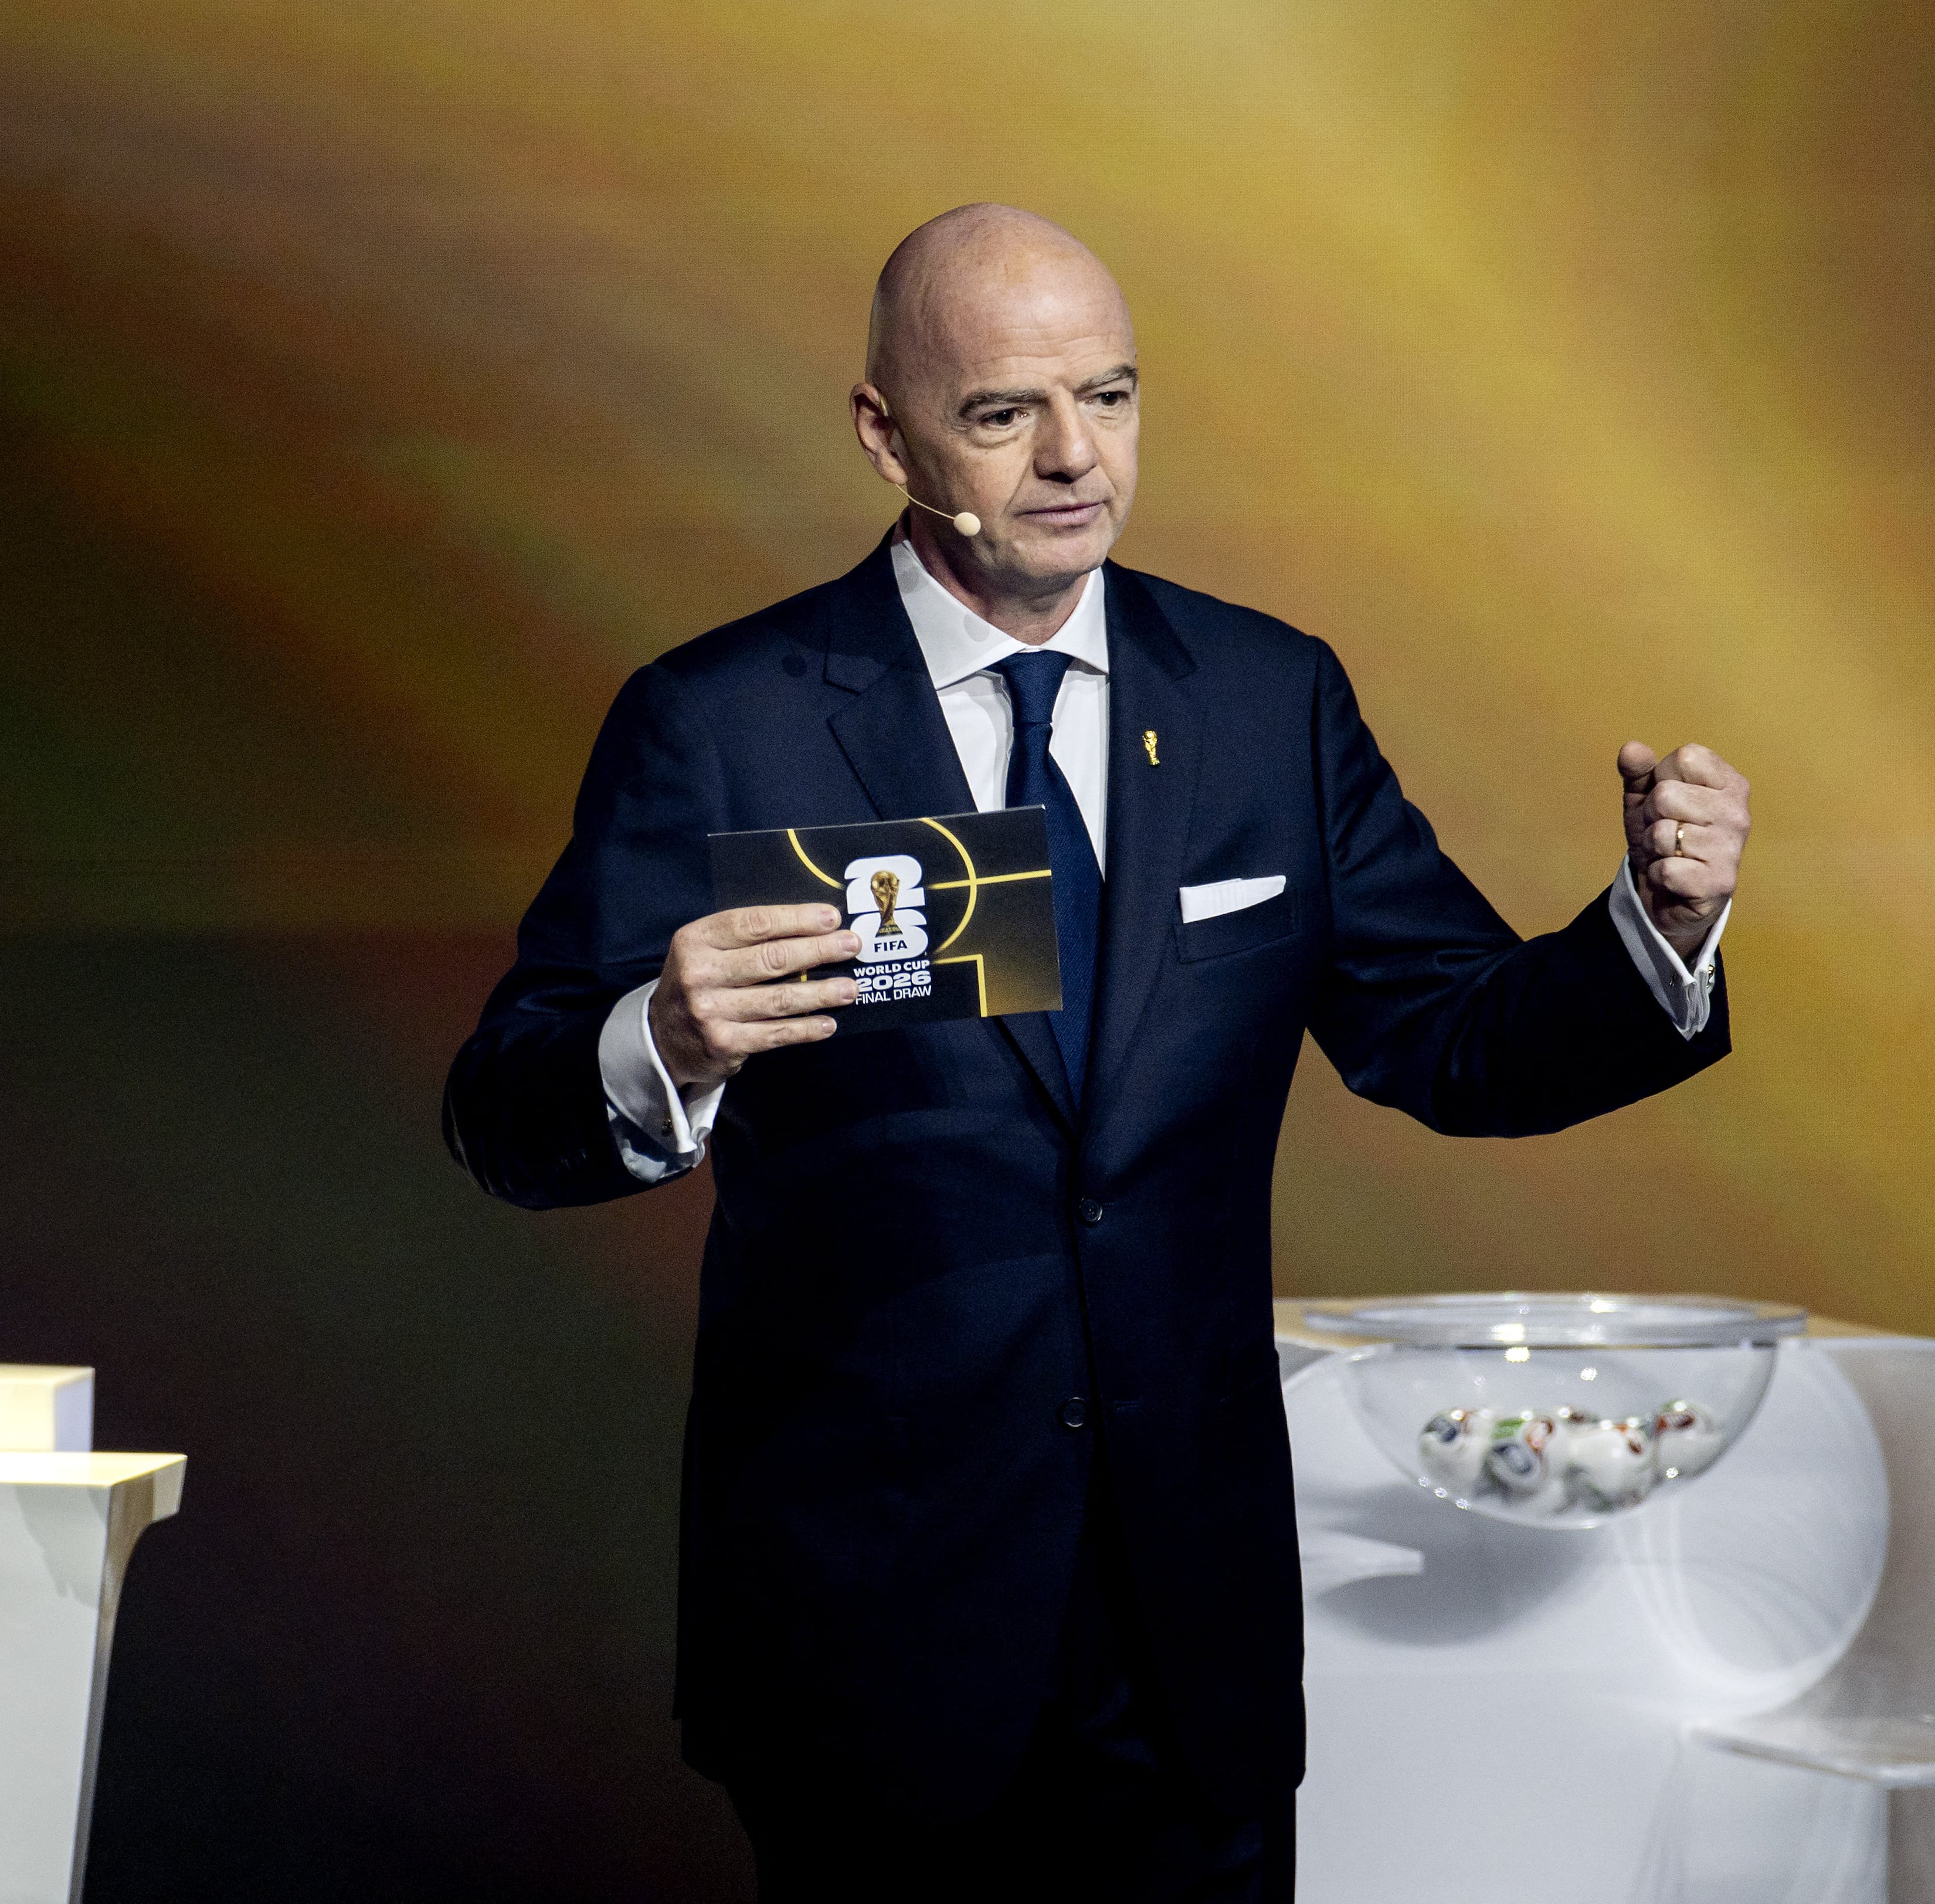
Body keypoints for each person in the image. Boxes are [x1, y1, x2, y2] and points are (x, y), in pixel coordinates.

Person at [443, 204, 1747, 1901]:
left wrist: (1659, 926)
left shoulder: (1266, 700)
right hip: (877, 1638)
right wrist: (658, 1042)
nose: (1076, 456)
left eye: (1112, 397)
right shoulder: (728, 719)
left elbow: (1456, 1039)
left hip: (1187, 1644)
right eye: (1004, 414)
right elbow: (504, 1105)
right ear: (882, 432)